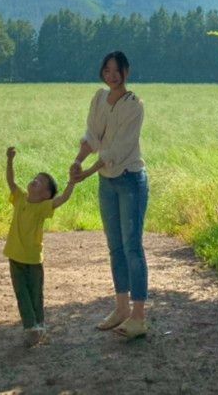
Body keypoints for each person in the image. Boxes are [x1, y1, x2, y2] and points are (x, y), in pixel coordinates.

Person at [70, 50, 148, 339]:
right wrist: (78, 160)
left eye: (117, 70)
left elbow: (118, 150)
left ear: (126, 72)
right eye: (107, 70)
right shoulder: (99, 98)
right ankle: (121, 308)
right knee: (115, 246)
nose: (111, 75)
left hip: (130, 179)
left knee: (132, 248)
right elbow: (93, 135)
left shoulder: (134, 105)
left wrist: (86, 173)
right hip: (107, 181)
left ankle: (139, 316)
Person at [4, 146, 75, 346]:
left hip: (34, 259)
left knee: (35, 292)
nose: (36, 180)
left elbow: (63, 199)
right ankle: (31, 327)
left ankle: (39, 326)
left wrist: (72, 182)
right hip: (15, 256)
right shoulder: (19, 198)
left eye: (41, 182)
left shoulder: (43, 207)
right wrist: (10, 160)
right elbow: (10, 181)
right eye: (37, 178)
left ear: (45, 195)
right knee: (22, 292)